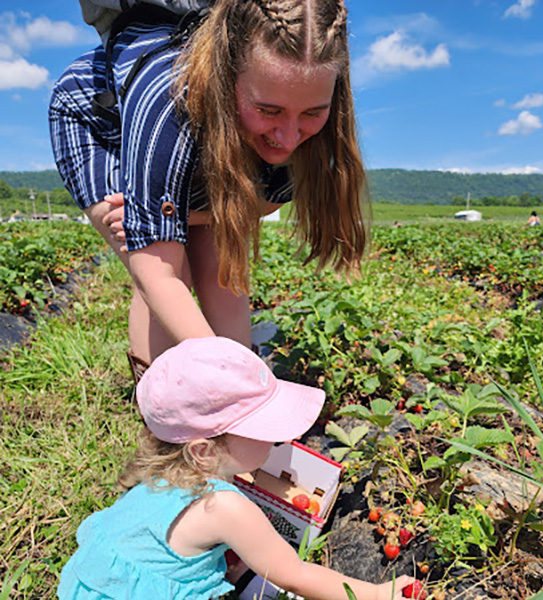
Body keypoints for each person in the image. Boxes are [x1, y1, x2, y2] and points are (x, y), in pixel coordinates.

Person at [49, 0, 367, 375]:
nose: (288, 136)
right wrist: (228, 379)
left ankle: (235, 398)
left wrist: (180, 214)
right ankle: (167, 417)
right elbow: (157, 276)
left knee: (221, 261)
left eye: (312, 113)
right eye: (268, 110)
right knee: (167, 266)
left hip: (204, 133)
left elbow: (262, 203)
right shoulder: (166, 100)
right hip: (102, 125)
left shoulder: (313, 122)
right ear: (229, 75)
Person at [57, 337, 417, 600]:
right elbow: (295, 575)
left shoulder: (160, 474)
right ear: (204, 450)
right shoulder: (225, 507)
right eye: (262, 428)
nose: (278, 439)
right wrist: (377, 592)